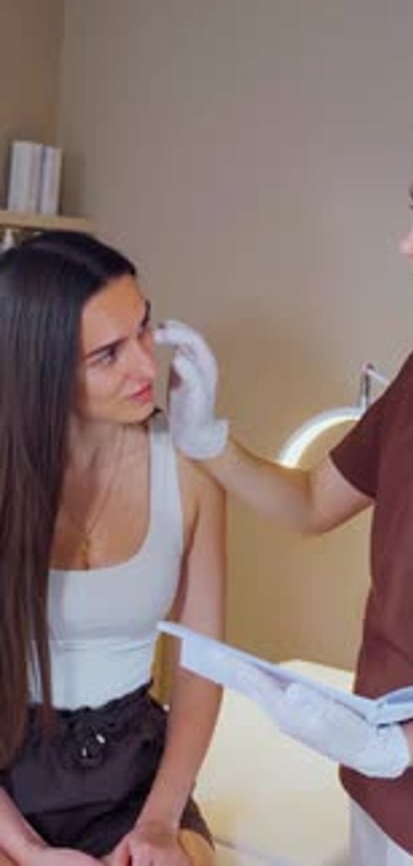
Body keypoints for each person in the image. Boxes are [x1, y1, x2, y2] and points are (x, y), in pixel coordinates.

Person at [156, 99, 413, 865]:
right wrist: (211, 442)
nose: (410, 243)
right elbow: (312, 503)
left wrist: (405, 746)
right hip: (378, 786)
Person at [0, 231, 226, 866]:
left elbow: (202, 664)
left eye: (145, 329)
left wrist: (159, 821)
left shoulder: (190, 470)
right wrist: (24, 848)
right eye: (108, 354)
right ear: (40, 369)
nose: (146, 366)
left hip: (132, 771)